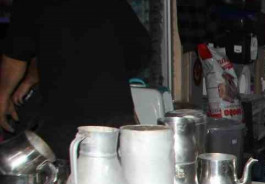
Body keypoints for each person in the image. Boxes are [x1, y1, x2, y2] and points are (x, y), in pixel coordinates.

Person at [0, 0, 152, 159]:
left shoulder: (32, 4)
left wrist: (3, 96)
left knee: (68, 177)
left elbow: (15, 56)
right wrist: (108, 75)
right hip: (115, 112)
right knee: (120, 175)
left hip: (65, 121)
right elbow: (141, 51)